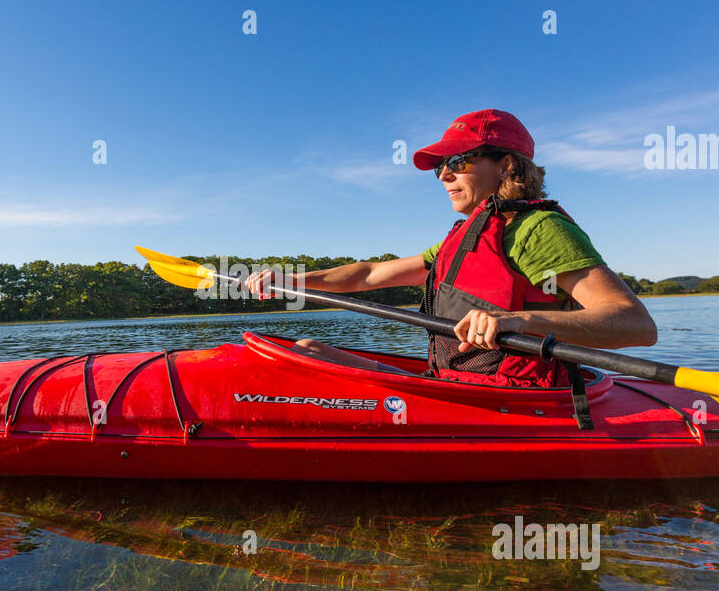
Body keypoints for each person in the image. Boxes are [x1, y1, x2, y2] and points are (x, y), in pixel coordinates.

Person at [245, 109, 657, 395]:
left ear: (508, 166)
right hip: (458, 384)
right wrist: (291, 281)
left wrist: (520, 320)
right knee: (304, 348)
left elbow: (635, 324)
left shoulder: (539, 229)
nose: (444, 174)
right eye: (443, 165)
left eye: (459, 161)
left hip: (519, 399)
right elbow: (369, 274)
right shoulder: (465, 238)